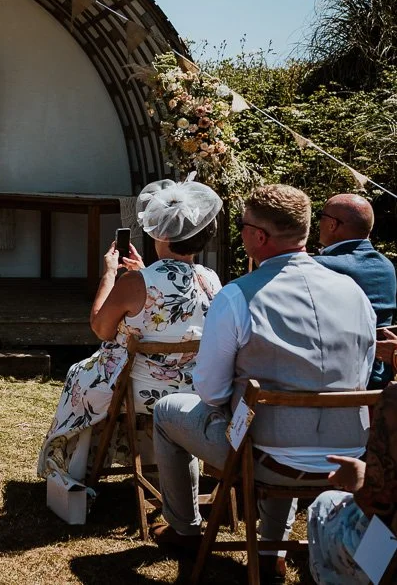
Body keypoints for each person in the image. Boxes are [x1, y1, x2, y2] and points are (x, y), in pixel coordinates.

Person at [151, 184, 375, 583]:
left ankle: (184, 528)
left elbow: (211, 391)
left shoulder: (238, 296)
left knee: (169, 411)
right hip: (349, 457)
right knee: (273, 422)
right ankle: (271, 549)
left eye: (241, 226)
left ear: (258, 236)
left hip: (269, 458)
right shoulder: (355, 294)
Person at [37, 177, 224, 506]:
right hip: (190, 392)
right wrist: (143, 273)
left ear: (161, 233)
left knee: (80, 373)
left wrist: (111, 274)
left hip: (134, 390)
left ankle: (74, 472)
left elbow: (100, 328)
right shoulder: (211, 279)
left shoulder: (136, 280)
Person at [308, 381, 397, 585]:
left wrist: (360, 478)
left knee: (323, 506)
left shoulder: (393, 403)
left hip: (388, 561)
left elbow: (380, 508)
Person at [315, 193, 397, 388]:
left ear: (332, 224)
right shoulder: (386, 266)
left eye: (320, 217)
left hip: (339, 380)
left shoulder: (319, 267)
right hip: (381, 377)